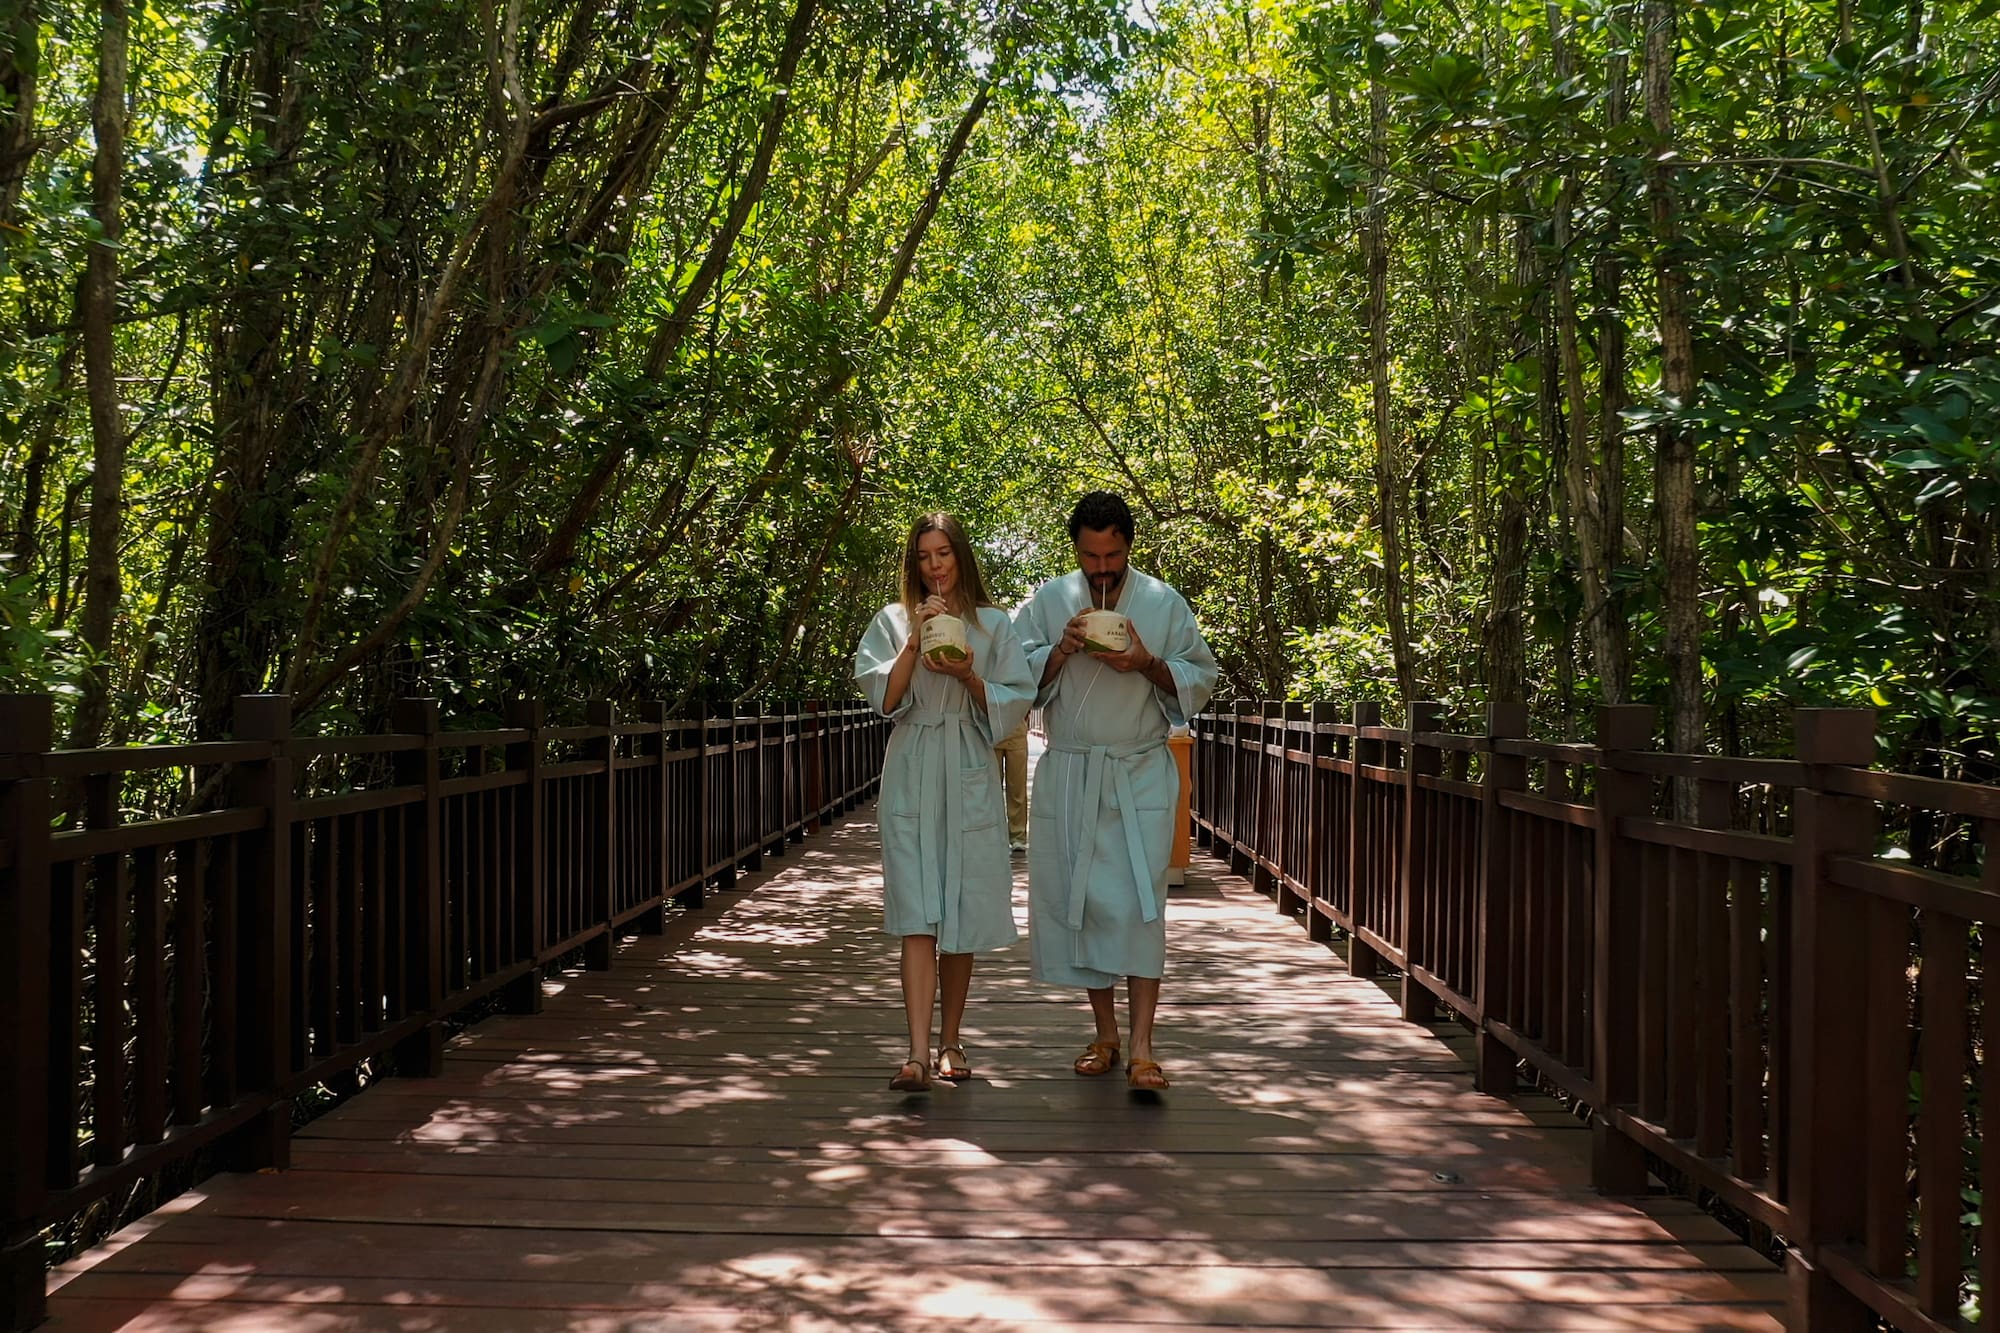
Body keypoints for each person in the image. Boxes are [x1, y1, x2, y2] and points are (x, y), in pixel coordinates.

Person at [1014, 492, 1217, 1092]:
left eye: (1114, 556)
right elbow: (1012, 677)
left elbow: (1199, 675)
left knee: (1138, 906)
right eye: (1090, 556)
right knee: (1088, 906)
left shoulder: (1161, 601)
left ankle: (1145, 1048)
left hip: (1139, 772)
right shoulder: (1050, 601)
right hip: (1074, 773)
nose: (1102, 569)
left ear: (1130, 546)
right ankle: (1105, 1034)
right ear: (1075, 549)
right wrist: (1059, 651)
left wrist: (1147, 663)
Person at [853, 513, 1034, 1092]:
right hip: (912, 765)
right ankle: (915, 1054)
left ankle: (950, 1040)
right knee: (916, 912)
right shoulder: (891, 622)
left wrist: (968, 675)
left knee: (960, 910)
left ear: (961, 557)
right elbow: (883, 699)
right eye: (925, 557)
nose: (935, 566)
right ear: (915, 565)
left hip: (969, 765)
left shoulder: (993, 625)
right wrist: (913, 642)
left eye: (944, 554)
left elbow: (1013, 708)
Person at [994, 718, 1030, 854]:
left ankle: (1018, 836)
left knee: (1017, 789)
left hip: (1017, 730)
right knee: (993, 789)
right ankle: (995, 833)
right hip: (994, 732)